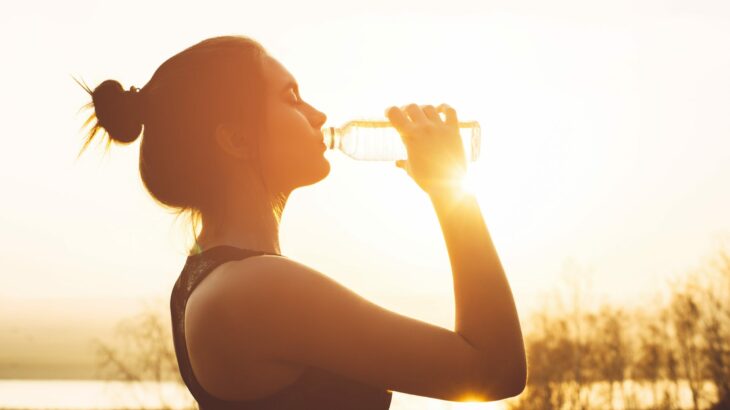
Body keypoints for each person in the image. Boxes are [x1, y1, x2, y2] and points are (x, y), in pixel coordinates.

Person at [78, 35, 526, 409]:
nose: (318, 115)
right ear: (235, 138)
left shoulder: (207, 281)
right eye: (291, 97)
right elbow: (494, 369)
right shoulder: (251, 289)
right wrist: (451, 192)